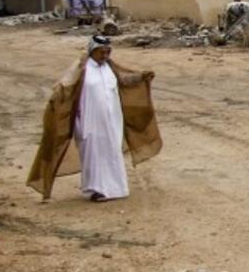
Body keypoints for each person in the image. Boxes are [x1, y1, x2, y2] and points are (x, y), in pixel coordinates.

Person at [27, 35, 161, 202]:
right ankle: (95, 190)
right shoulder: (82, 68)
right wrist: (59, 97)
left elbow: (123, 81)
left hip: (112, 121)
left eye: (107, 52)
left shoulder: (109, 66)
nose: (104, 56)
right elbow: (65, 86)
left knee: (111, 151)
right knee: (93, 153)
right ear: (92, 51)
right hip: (88, 120)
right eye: (101, 52)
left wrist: (141, 76)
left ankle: (114, 189)